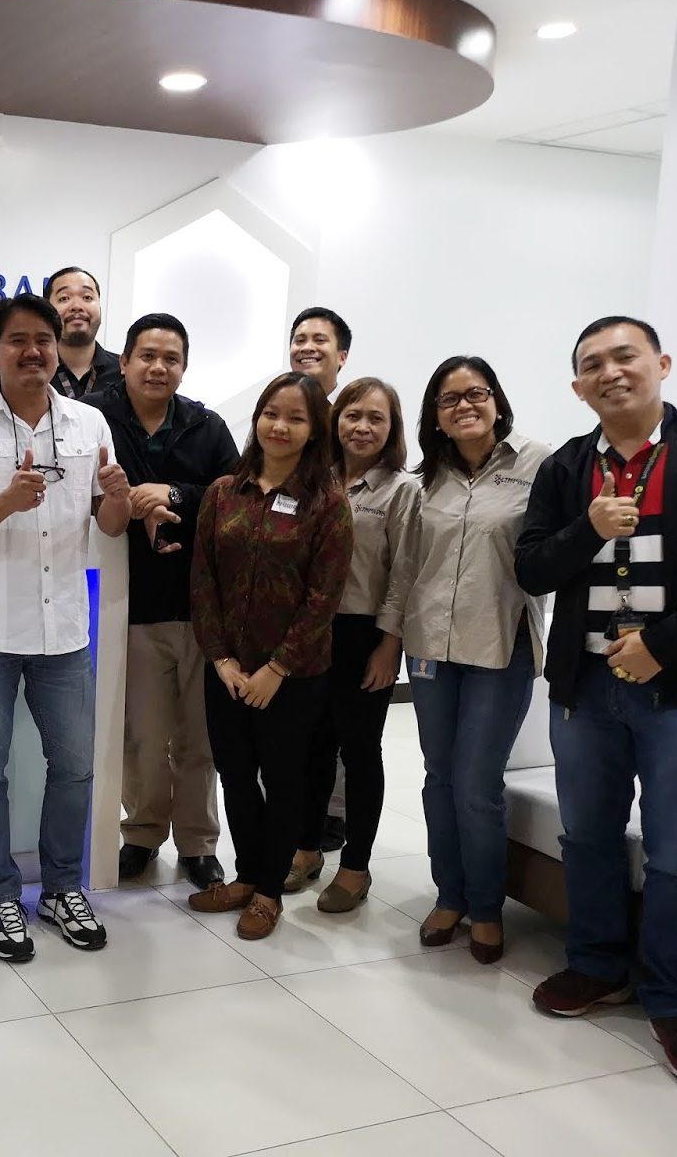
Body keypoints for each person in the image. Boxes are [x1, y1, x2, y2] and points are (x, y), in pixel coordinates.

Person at [515, 316, 677, 1088]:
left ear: (662, 363)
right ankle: (598, 964)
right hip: (587, 687)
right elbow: (532, 568)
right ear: (578, 388)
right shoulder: (568, 468)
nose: (611, 372)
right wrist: (588, 528)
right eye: (593, 364)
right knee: (588, 835)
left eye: (625, 356)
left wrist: (663, 644)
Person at [0, 292, 131, 961]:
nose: (33, 351)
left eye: (43, 339)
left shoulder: (89, 423)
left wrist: (120, 502)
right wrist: (6, 501)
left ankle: (61, 888)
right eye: (17, 340)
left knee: (74, 767)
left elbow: (107, 523)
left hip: (65, 629)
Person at [187, 373, 352, 940]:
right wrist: (221, 660)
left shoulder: (328, 502)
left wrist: (277, 668)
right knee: (234, 775)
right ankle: (246, 876)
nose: (280, 426)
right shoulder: (222, 492)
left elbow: (323, 597)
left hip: (293, 675)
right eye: (271, 414)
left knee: (284, 781)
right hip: (227, 670)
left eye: (296, 418)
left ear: (315, 430)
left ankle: (269, 893)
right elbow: (203, 581)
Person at [401, 357, 550, 964]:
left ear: (496, 401)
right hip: (429, 648)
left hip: (499, 646)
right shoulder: (425, 480)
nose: (464, 405)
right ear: (435, 416)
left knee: (476, 784)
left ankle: (486, 907)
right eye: (449, 399)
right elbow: (408, 568)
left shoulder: (538, 465)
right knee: (439, 777)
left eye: (476, 393)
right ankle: (450, 895)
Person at [83, 313, 238, 890]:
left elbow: (235, 495)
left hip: (201, 607)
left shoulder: (206, 425)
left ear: (184, 367)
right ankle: (143, 833)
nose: (158, 367)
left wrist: (172, 494)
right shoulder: (93, 417)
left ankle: (198, 843)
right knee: (142, 737)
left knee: (199, 737)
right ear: (123, 361)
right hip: (131, 604)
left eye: (171, 358)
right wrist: (131, 504)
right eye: (147, 356)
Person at [287, 378, 419, 909]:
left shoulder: (402, 490)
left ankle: (356, 867)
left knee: (360, 752)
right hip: (310, 631)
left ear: (392, 428)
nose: (362, 427)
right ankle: (305, 848)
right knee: (311, 745)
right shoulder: (312, 480)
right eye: (352, 415)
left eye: (376, 418)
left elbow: (404, 573)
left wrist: (389, 645)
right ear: (335, 420)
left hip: (365, 634)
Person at [288, 306, 354, 853]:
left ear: (342, 355)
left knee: (339, 721)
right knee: (293, 721)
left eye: (320, 339)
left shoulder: (350, 420)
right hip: (287, 599)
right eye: (299, 338)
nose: (307, 347)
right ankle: (290, 814)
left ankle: (332, 814)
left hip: (346, 600)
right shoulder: (279, 413)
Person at [44, 266, 119, 400]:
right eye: (64, 298)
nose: (77, 306)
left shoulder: (125, 374)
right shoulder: (34, 372)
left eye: (87, 297)